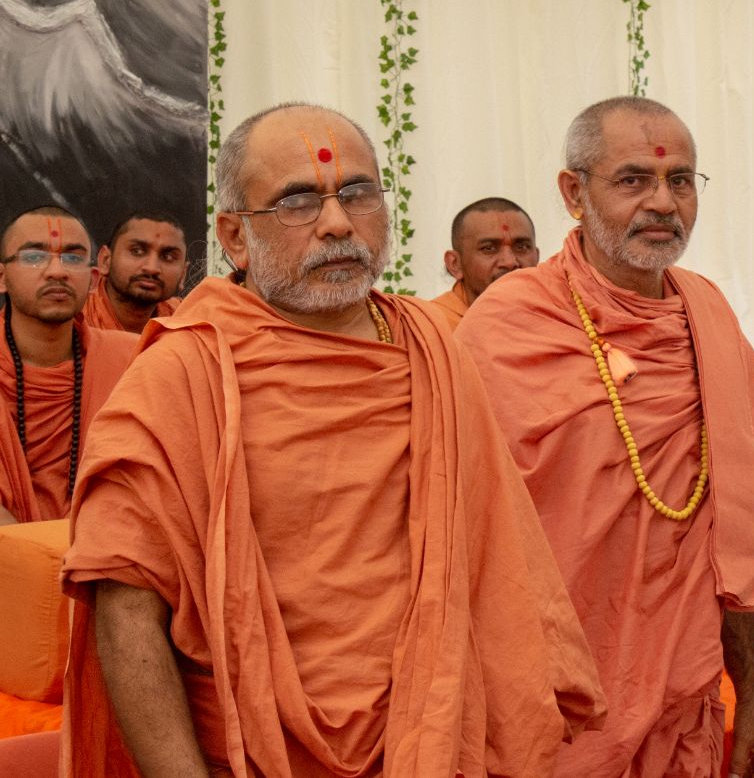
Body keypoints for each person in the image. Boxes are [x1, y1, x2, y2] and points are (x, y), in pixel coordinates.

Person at [61, 103, 603, 778]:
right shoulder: (183, 372)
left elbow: (497, 559)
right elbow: (126, 601)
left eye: (358, 193)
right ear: (234, 234)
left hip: (433, 739)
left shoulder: (432, 348)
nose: (339, 222)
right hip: (252, 752)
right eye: (298, 200)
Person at [457, 96, 754, 778]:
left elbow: (725, 537)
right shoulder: (507, 328)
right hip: (547, 701)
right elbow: (456, 530)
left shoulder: (709, 316)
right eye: (634, 180)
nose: (664, 202)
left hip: (681, 696)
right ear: (573, 192)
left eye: (681, 180)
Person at [0, 207, 138, 523]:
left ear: (91, 281)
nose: (57, 271)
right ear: (2, 278)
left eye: (73, 258)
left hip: (106, 550)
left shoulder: (131, 361)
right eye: (34, 257)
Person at [430, 197, 539, 328]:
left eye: (522, 247)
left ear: (537, 257)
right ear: (455, 264)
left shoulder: (556, 317)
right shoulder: (430, 327)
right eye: (489, 248)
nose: (510, 262)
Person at [82, 211, 189, 333]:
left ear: (183, 274)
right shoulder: (73, 320)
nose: (151, 268)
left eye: (168, 257)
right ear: (105, 260)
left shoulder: (187, 322)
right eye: (137, 251)